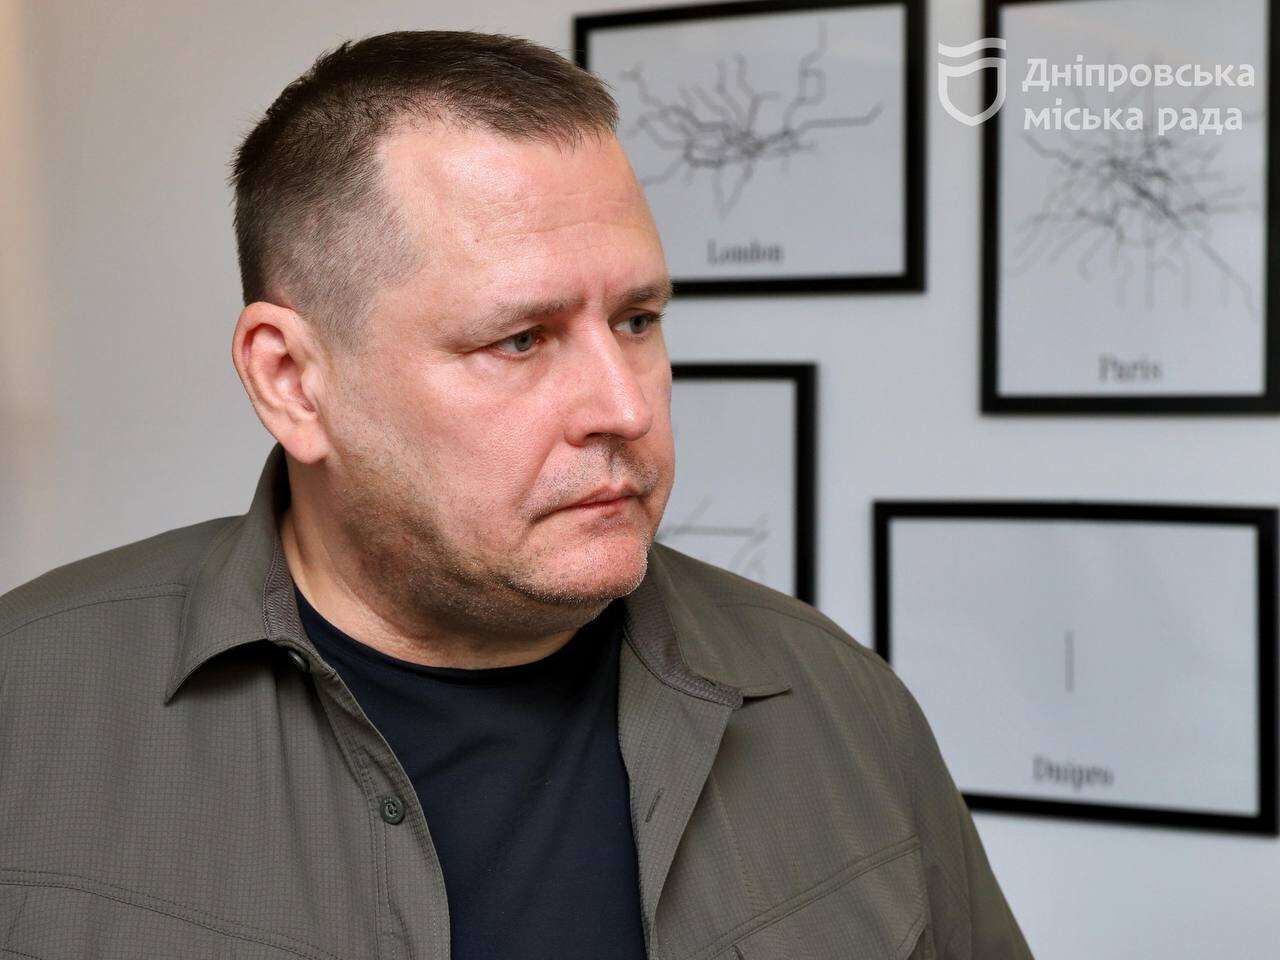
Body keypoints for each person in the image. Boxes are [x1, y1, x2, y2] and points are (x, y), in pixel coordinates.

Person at [0, 29, 1033, 960]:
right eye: (521, 339)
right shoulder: (29, 708)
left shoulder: (834, 702)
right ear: (292, 381)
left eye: (636, 320)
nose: (623, 406)